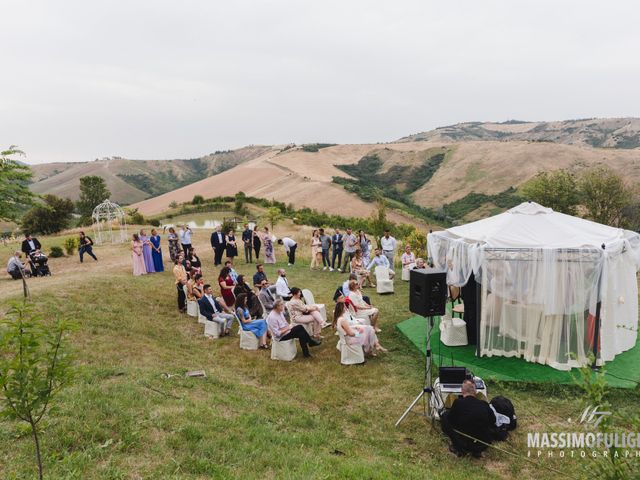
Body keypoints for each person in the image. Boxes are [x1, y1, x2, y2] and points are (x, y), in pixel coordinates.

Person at [441, 379, 496, 458]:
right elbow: (493, 421)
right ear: (475, 391)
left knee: (445, 416)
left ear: (462, 391)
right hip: (482, 444)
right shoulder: (484, 404)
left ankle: (460, 449)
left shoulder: (458, 402)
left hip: (463, 444)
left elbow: (451, 421)